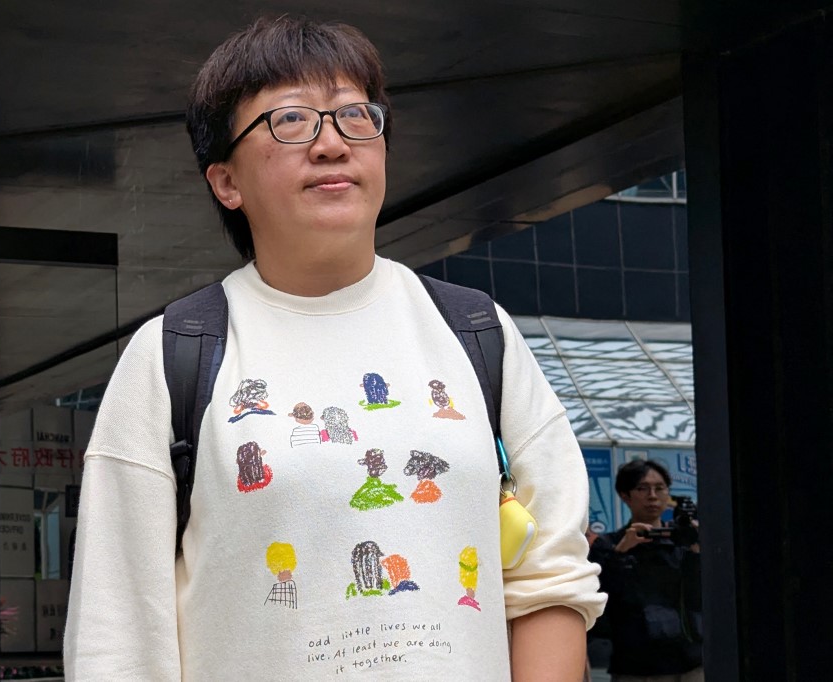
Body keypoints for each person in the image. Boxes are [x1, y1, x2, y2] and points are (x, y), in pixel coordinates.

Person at [64, 16, 604, 680]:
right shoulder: (174, 353)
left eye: (355, 116)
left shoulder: (474, 332)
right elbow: (118, 635)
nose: (331, 145)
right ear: (226, 182)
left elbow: (550, 578)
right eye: (291, 122)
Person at [589, 460, 703, 681]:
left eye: (660, 488)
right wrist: (621, 553)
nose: (653, 496)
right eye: (642, 488)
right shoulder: (609, 545)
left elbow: (700, 596)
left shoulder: (683, 542)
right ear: (625, 495)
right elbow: (603, 599)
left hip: (689, 662)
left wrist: (695, 550)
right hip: (636, 666)